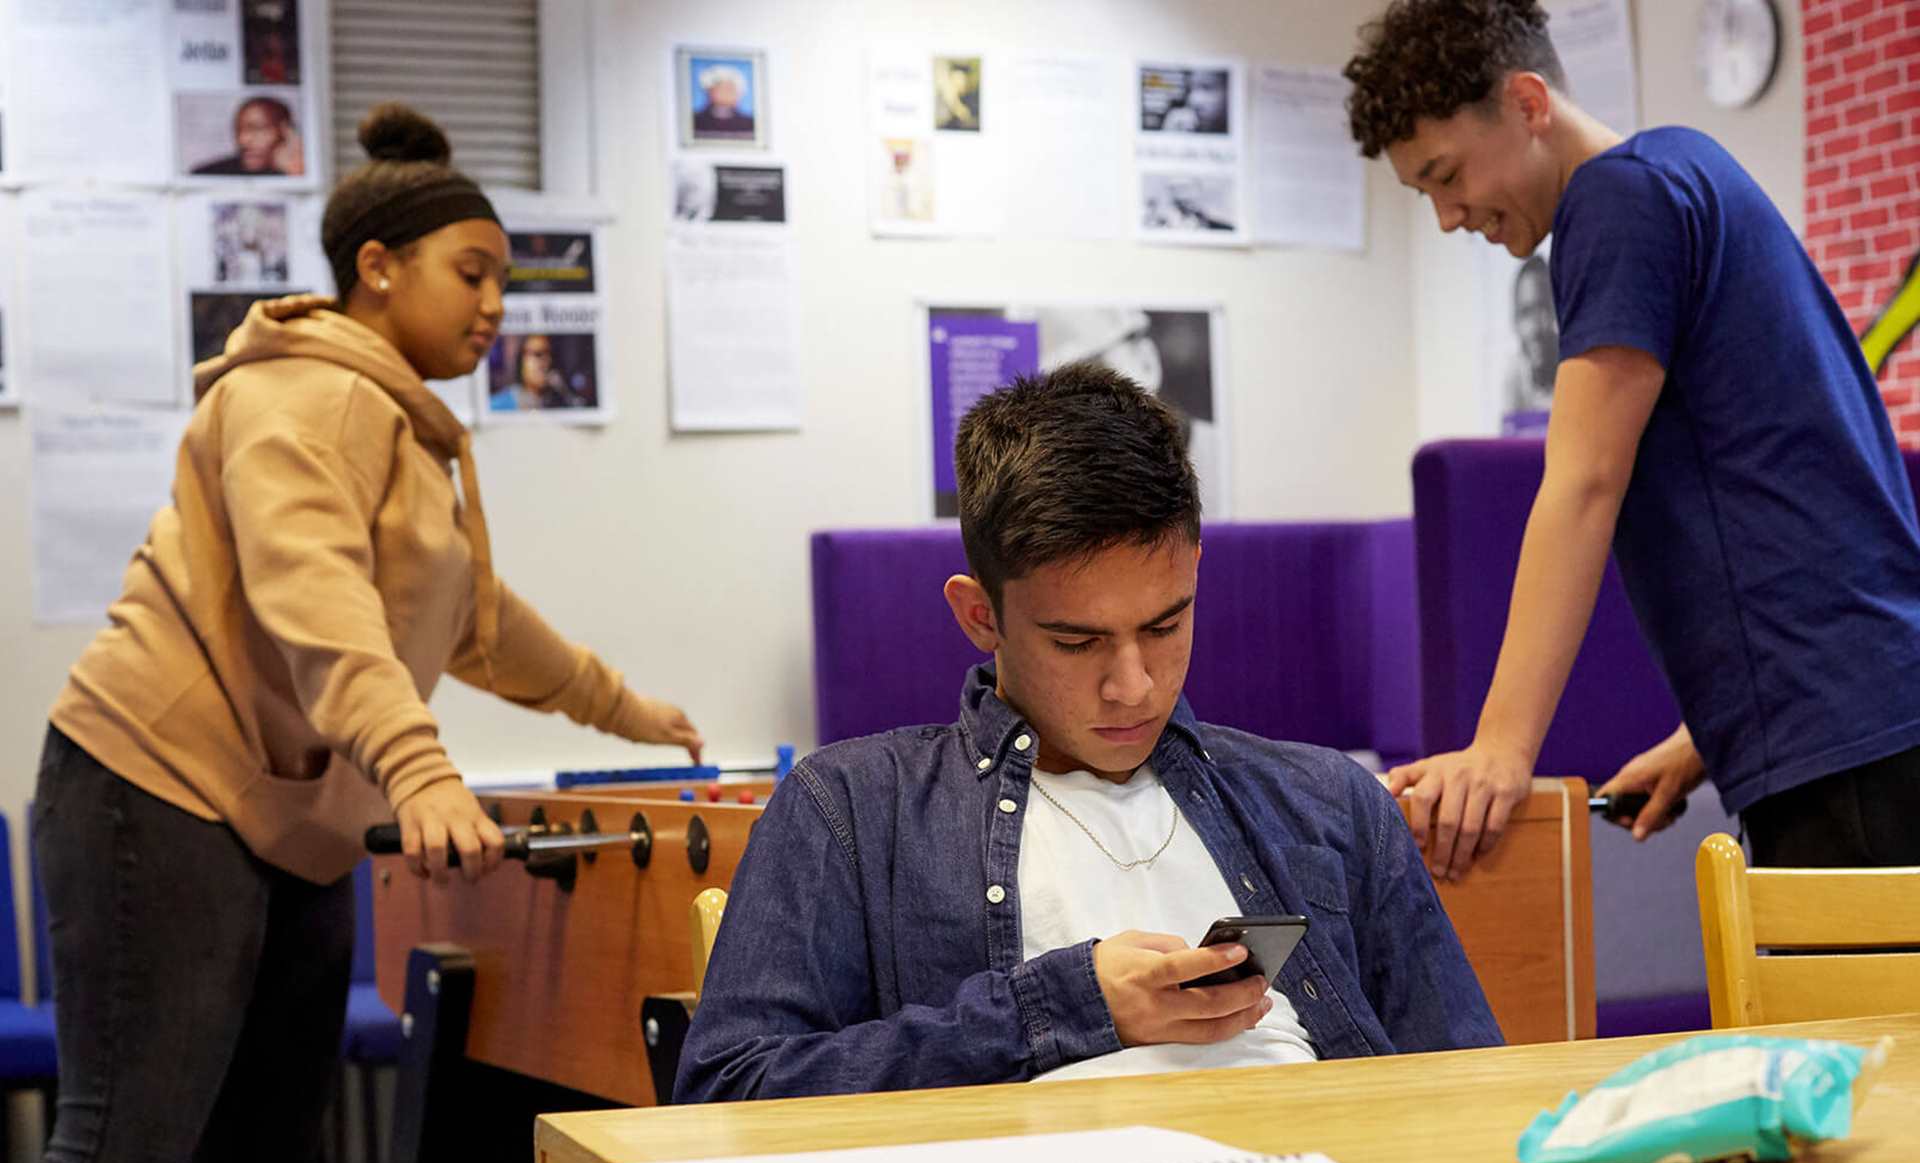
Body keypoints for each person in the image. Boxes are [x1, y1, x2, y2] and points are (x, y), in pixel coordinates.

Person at [1, 103, 702, 1163]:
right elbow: (311, 591)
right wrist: (420, 767)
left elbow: (473, 616)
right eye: (471, 273)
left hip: (292, 822)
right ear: (377, 269)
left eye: (505, 281)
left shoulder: (398, 420)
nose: (495, 305)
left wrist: (616, 705)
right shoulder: (295, 396)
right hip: (154, 788)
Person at [675, 363, 1501, 1104]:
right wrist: (1066, 1008)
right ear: (978, 615)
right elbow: (728, 1096)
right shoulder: (851, 807)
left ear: (1196, 575)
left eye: (1167, 624)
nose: (1133, 685)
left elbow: (1471, 1090)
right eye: (1077, 642)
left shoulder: (1329, 801)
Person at [1344, 0, 1920, 875]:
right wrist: (1707, 736)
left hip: (1843, 745)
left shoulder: (1615, 202)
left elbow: (1583, 483)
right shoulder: (1688, 167)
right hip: (1866, 712)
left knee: (1853, 1019)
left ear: (1529, 103)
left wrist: (1500, 746)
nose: (1449, 217)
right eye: (1425, 193)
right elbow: (1788, 481)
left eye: (1447, 173)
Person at [1501, 252, 1555, 433]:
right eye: (1526, 313)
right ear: (1515, 321)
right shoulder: (1515, 375)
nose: (1535, 328)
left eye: (1543, 309)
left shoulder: (1575, 367)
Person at [191, 95, 305, 177]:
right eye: (238, 130)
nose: (243, 140)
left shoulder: (300, 171)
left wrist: (294, 171)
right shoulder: (206, 174)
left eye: (257, 129)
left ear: (286, 131)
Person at [490, 333, 585, 410]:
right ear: (521, 360)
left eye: (550, 355)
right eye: (538, 354)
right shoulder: (496, 406)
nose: (546, 362)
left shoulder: (563, 403)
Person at [692, 62, 755, 139]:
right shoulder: (694, 121)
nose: (727, 93)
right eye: (721, 88)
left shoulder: (750, 124)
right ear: (709, 91)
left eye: (731, 89)